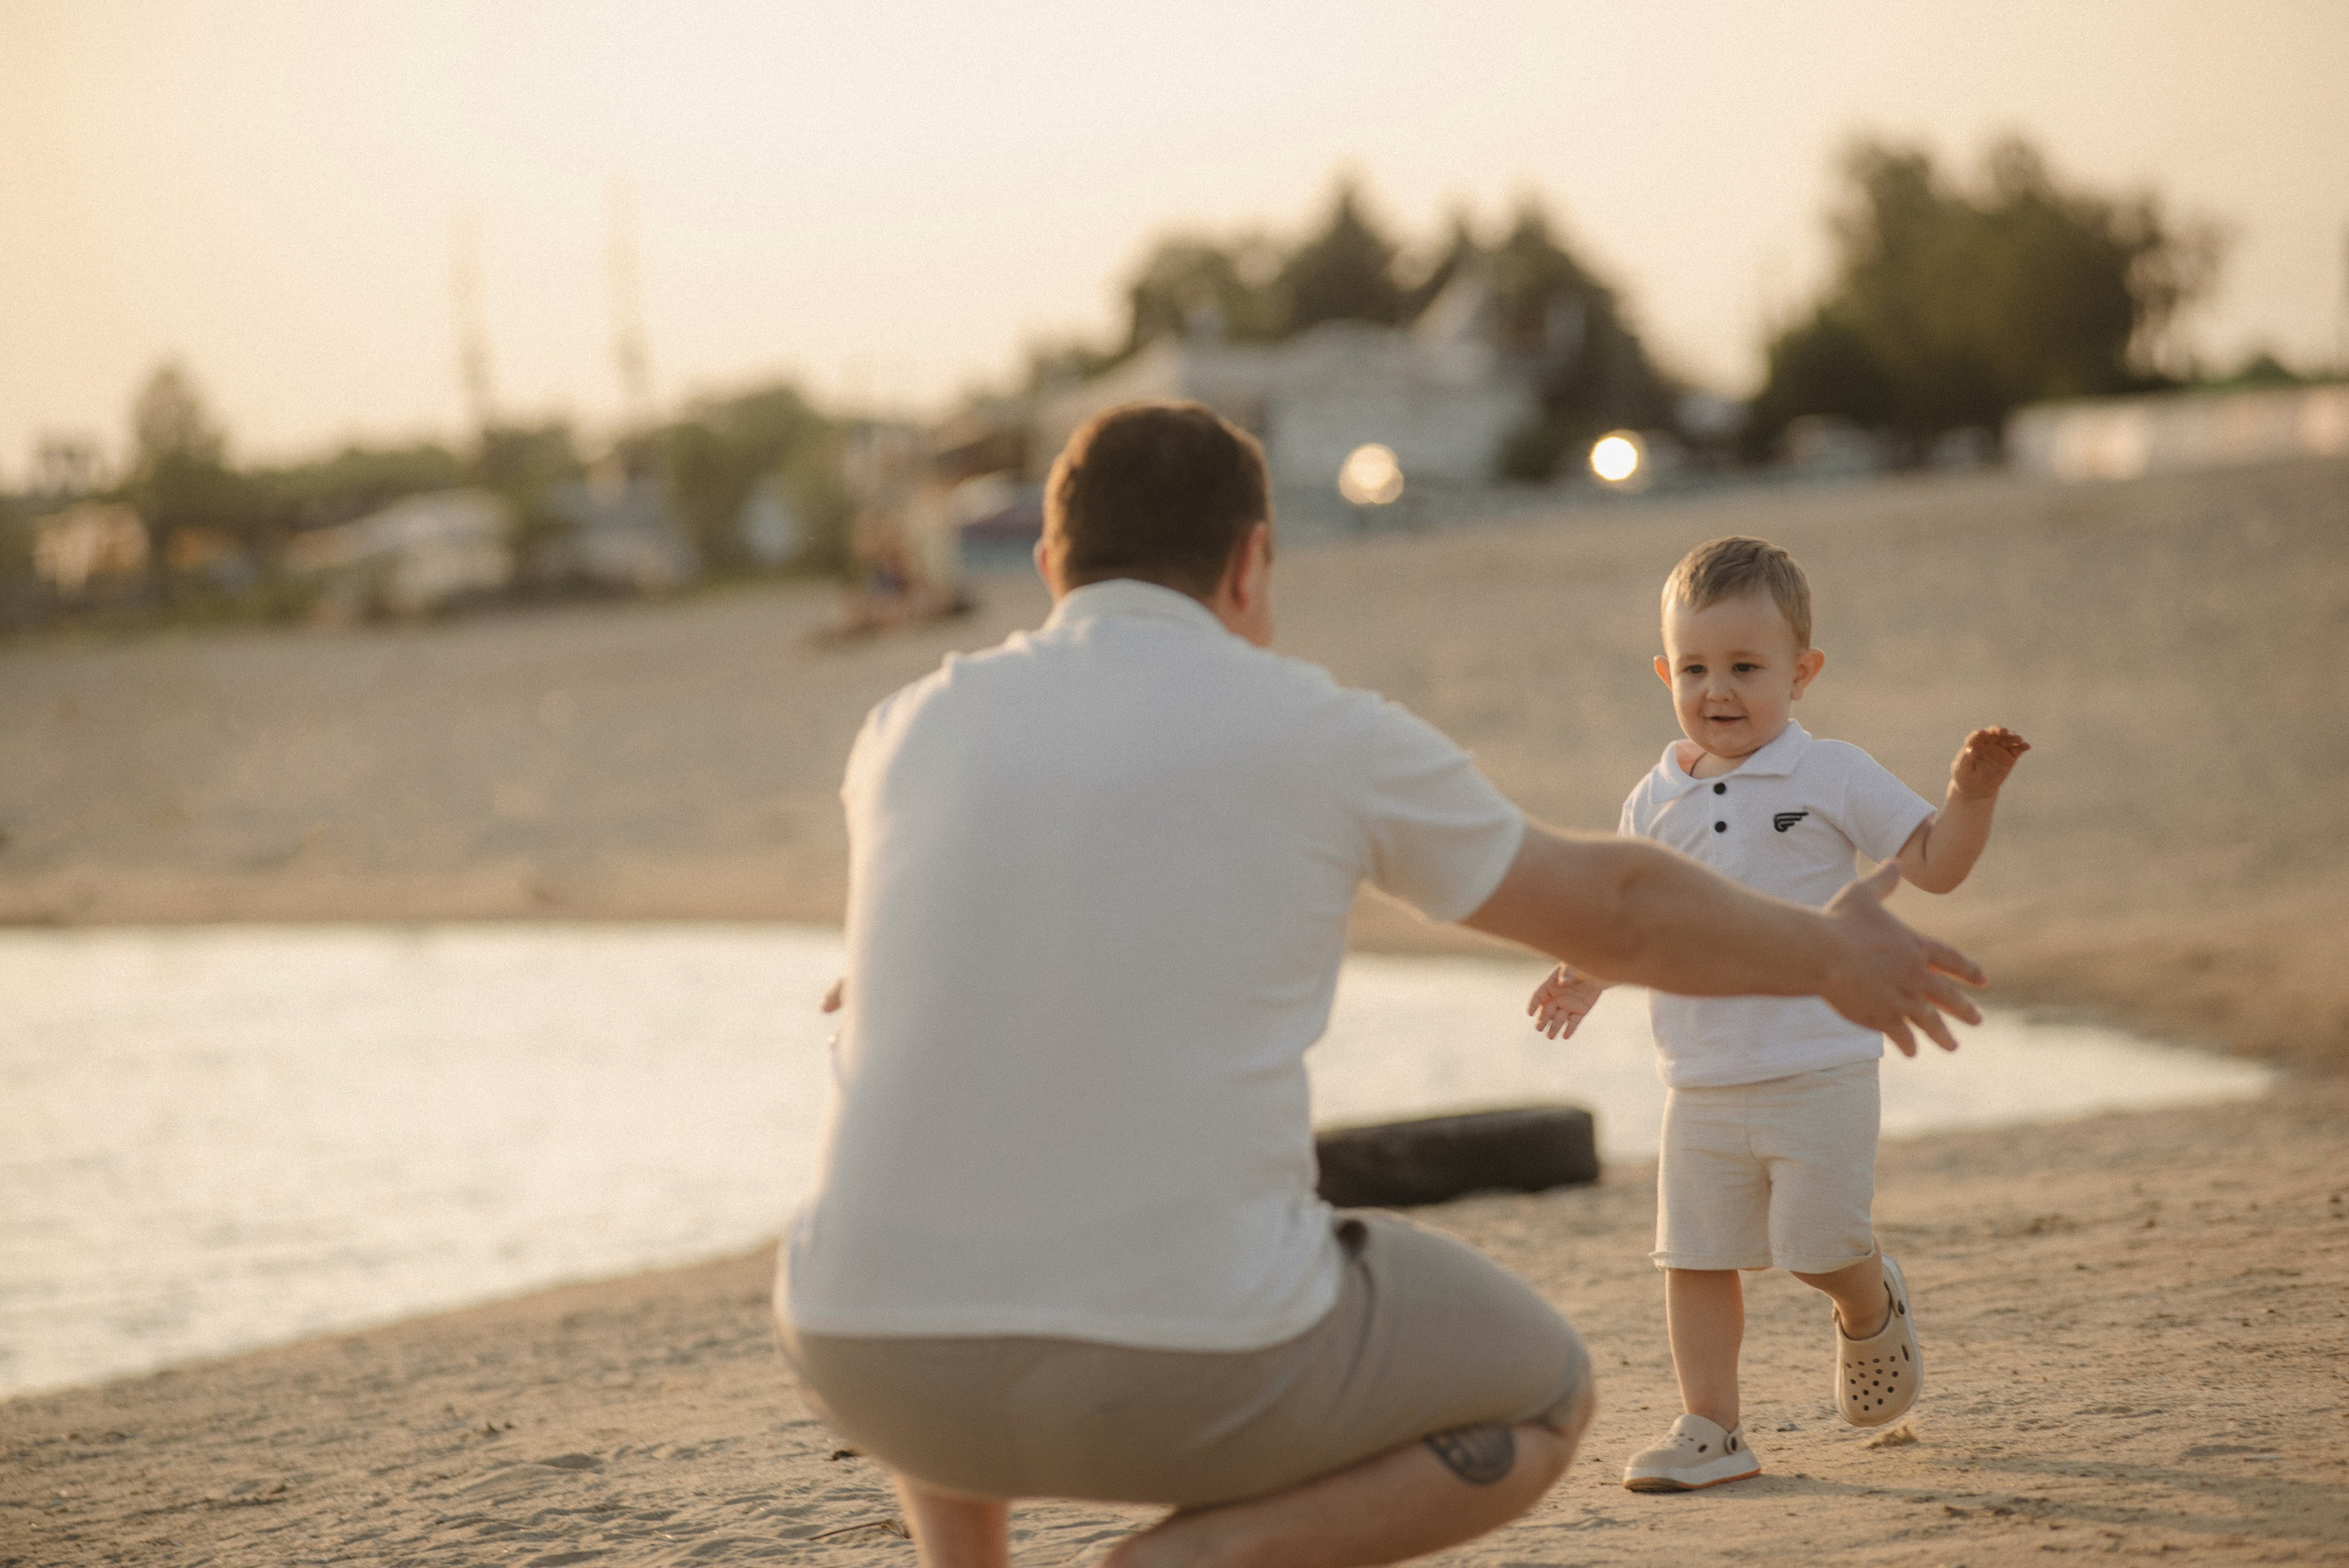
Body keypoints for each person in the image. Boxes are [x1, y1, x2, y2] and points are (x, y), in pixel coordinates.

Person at [777, 405, 1989, 1568]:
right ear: (1252, 562)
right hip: (1174, 1356)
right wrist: (1832, 952)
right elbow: (1616, 904)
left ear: (1049, 564)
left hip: (855, 1345)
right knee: (1546, 1388)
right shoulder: (1319, 729)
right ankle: (1198, 1558)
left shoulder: (906, 725)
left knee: (951, 1175)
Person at [1526, 535, 2029, 1495]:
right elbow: (1630, 915)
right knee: (1694, 1256)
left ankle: (1867, 1297)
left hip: (1819, 1065)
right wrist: (1582, 971)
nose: (1719, 689)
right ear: (1666, 671)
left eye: (1746, 667)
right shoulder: (1653, 797)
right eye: (1697, 667)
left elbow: (1933, 865)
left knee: (1817, 1246)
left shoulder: (1829, 773)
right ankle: (1710, 1426)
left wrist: (1969, 796)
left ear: (1802, 673)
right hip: (1699, 1078)